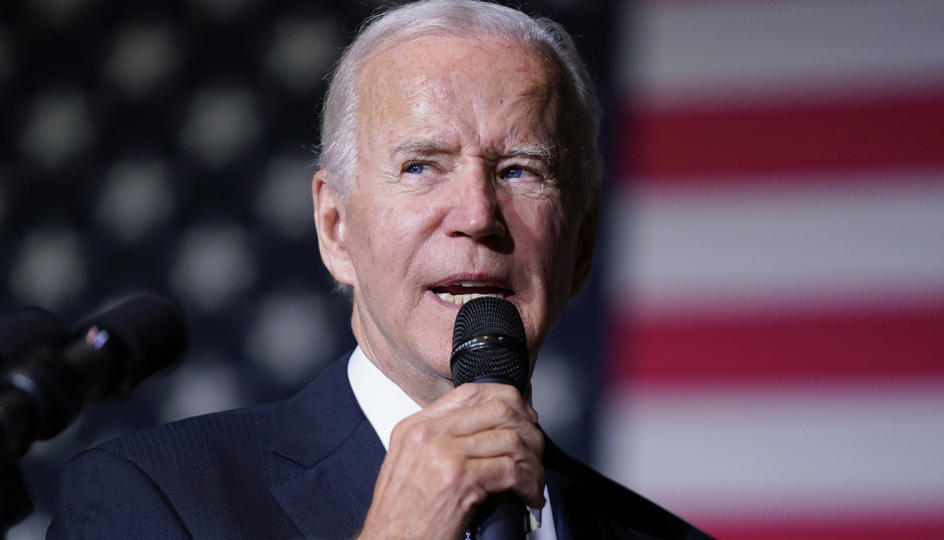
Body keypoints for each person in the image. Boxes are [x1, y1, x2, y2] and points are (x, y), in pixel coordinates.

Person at [48, 1, 711, 538]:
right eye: (422, 165)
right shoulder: (148, 500)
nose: (477, 214)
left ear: (583, 246)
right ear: (336, 229)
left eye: (519, 170)